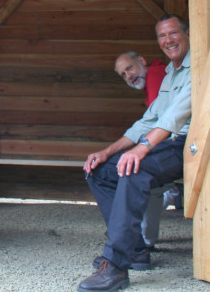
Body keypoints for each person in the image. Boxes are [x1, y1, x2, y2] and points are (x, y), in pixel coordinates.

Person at [77, 15, 191, 292]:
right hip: (165, 143)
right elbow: (147, 121)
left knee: (134, 169)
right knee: (99, 171)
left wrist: (141, 149)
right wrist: (106, 152)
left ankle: (115, 265)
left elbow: (175, 117)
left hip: (188, 146)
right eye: (162, 37)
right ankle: (136, 249)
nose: (168, 41)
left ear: (188, 34)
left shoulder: (198, 67)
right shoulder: (170, 73)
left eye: (173, 33)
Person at [114, 50, 181, 250]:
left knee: (138, 172)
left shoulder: (155, 74)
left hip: (179, 144)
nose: (128, 76)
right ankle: (169, 190)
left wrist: (141, 150)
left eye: (130, 68)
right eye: (123, 75)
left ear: (142, 60)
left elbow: (160, 125)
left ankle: (144, 241)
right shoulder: (155, 74)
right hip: (176, 142)